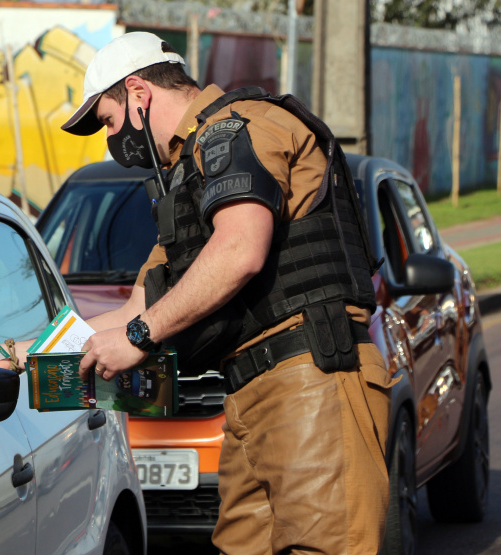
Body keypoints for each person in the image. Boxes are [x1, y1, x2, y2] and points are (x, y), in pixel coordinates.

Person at [53, 32, 394, 554]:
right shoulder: (187, 175)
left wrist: (141, 338)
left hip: (311, 377)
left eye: (108, 119)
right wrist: (17, 353)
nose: (110, 138)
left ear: (138, 93)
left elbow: (241, 248)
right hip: (251, 392)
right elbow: (134, 307)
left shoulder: (236, 130)